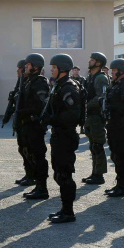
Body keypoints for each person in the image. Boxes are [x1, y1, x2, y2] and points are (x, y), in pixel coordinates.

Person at [43, 54, 82, 224]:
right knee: (59, 173)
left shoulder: (68, 87)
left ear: (62, 68)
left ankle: (69, 212)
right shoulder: (59, 86)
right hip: (59, 134)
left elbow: (73, 114)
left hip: (66, 135)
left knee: (64, 174)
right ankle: (64, 209)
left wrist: (53, 119)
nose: (51, 69)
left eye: (54, 67)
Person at [19, 53, 50, 200]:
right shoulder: (28, 81)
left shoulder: (40, 82)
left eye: (28, 64)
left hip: (35, 125)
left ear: (35, 67)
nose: (26, 66)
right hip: (27, 124)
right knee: (30, 154)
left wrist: (23, 112)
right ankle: (37, 184)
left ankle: (42, 188)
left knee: (38, 156)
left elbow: (40, 106)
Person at [103, 59, 124, 198]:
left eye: (114, 70)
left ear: (121, 71)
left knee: (120, 156)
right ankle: (118, 184)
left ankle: (122, 186)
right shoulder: (113, 86)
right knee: (114, 154)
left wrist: (112, 107)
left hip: (121, 125)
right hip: (112, 125)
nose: (112, 72)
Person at [81, 52, 110, 185]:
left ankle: (99, 174)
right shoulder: (90, 77)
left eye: (92, 60)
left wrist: (87, 105)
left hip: (97, 116)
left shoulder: (100, 78)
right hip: (90, 116)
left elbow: (101, 97)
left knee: (97, 145)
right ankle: (94, 172)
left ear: (98, 63)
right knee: (93, 146)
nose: (90, 61)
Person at [3, 60, 31, 185]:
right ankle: (28, 173)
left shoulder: (30, 82)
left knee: (28, 150)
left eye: (19, 68)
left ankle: (32, 176)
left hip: (28, 122)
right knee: (22, 149)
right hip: (21, 121)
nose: (17, 71)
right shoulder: (20, 82)